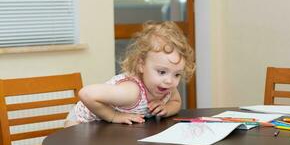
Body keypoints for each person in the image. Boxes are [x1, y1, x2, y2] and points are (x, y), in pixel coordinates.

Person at [64, 21, 195, 127]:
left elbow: (176, 101)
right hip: (80, 123)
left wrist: (166, 109)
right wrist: (114, 116)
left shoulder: (166, 87)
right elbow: (86, 94)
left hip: (107, 129)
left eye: (177, 74)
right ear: (141, 65)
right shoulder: (131, 92)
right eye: (162, 72)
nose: (169, 80)